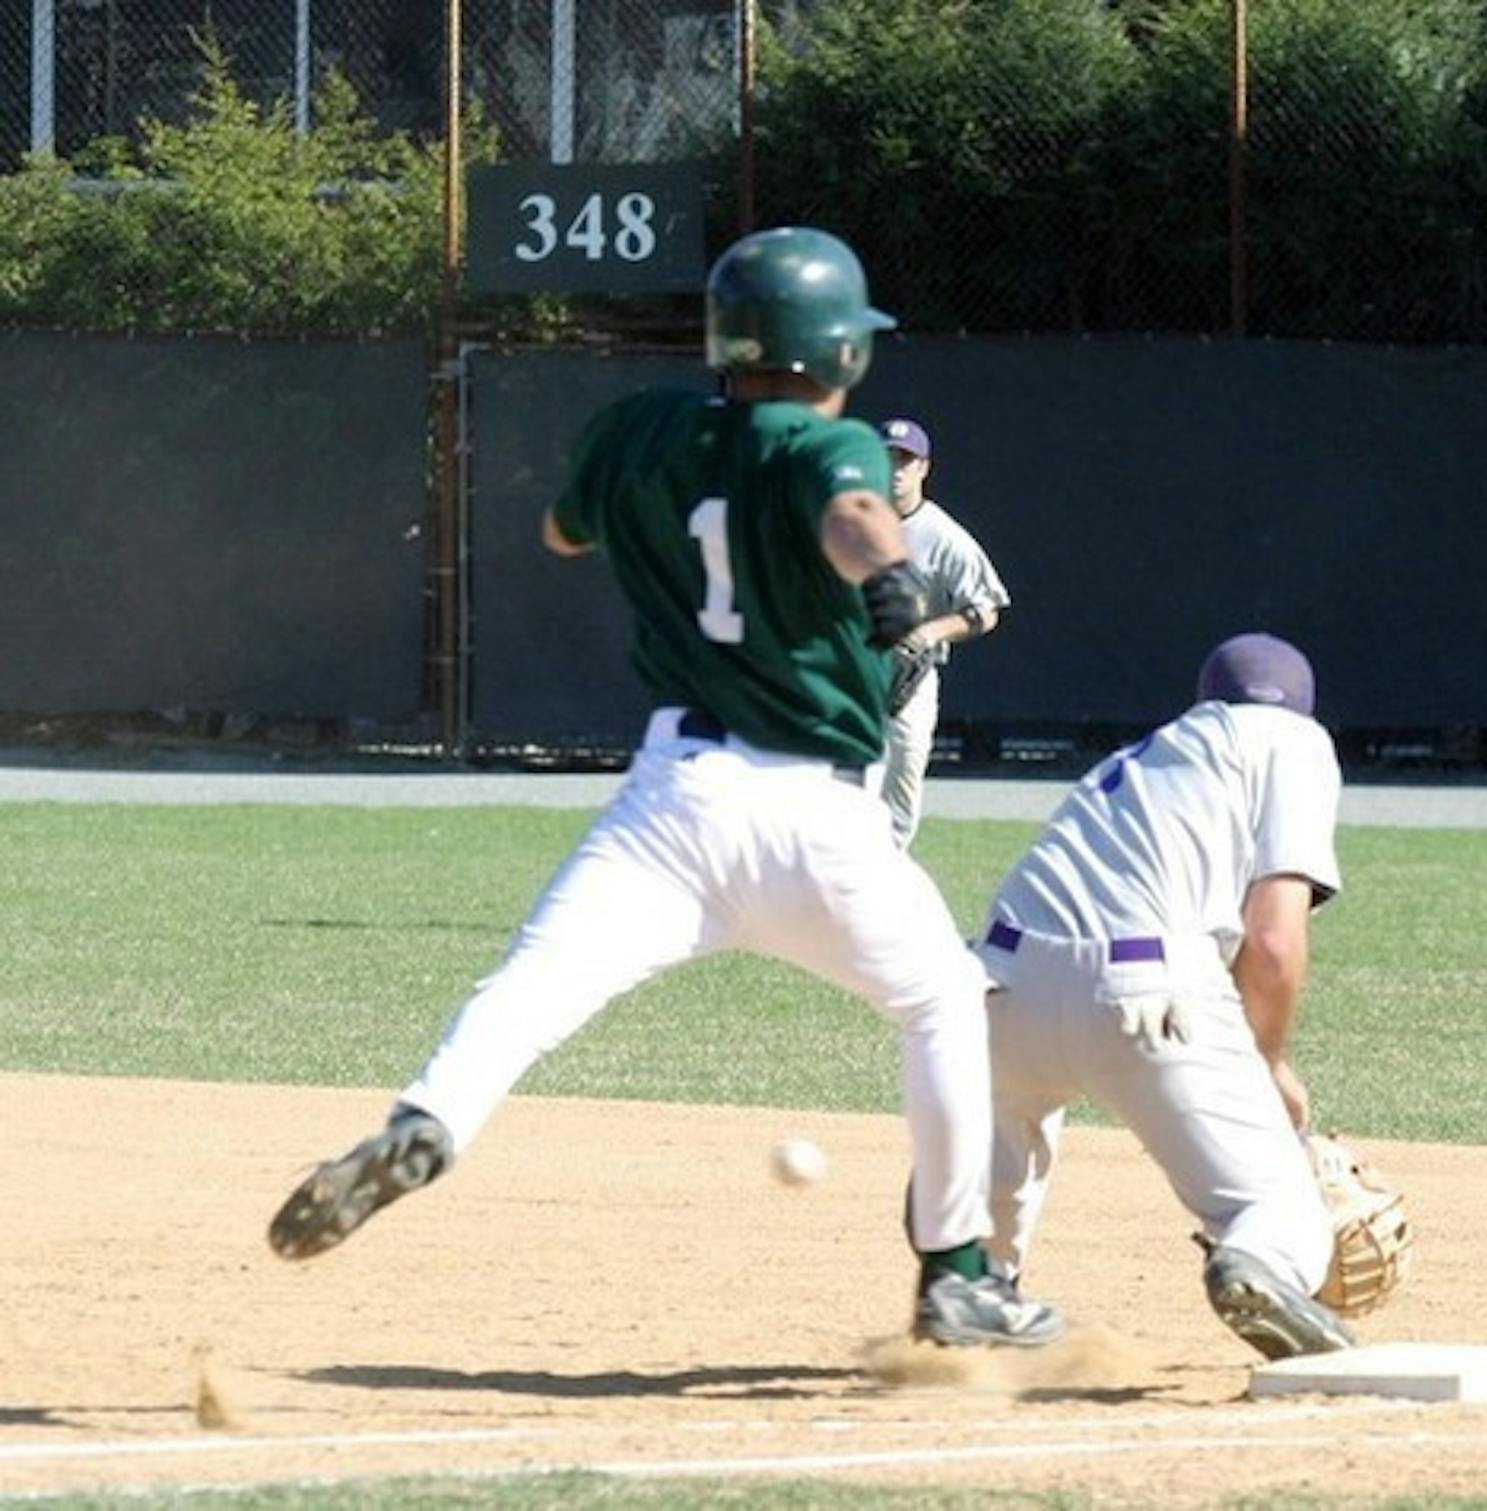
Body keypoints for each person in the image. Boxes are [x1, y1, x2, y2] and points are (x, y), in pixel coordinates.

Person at [266, 226, 1064, 1351]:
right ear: (838, 351)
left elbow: (558, 529)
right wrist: (885, 569)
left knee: (533, 984)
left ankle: (427, 1119)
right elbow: (852, 508)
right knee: (940, 1001)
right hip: (814, 816)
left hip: (670, 799)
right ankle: (955, 1275)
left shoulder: (640, 430)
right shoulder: (822, 446)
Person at [974, 633, 1355, 1360]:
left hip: (997, 985)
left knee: (1007, 1132)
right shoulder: (1294, 741)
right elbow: (1272, 937)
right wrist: (1267, 1064)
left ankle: (970, 1279)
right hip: (1144, 989)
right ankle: (1263, 1260)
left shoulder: (1147, 756)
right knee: (1277, 1208)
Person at [873, 417, 1011, 850]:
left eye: (906, 460)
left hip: (907, 682)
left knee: (901, 784)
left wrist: (933, 630)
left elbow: (987, 609)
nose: (896, 469)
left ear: (923, 469)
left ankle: (888, 877)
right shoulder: (848, 519)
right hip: (852, 672)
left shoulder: (943, 536)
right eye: (888, 458)